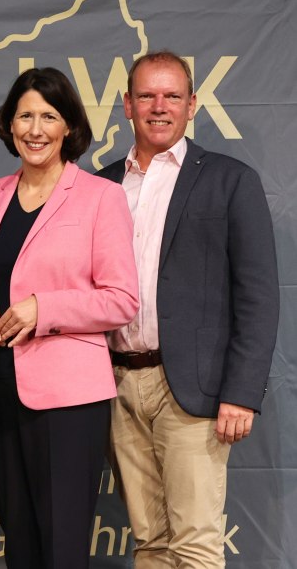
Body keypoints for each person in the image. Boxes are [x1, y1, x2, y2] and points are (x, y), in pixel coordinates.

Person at [97, 51, 279, 567]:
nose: (159, 107)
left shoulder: (230, 180)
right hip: (115, 385)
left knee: (195, 544)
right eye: (147, 96)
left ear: (192, 104)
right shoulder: (101, 185)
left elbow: (258, 295)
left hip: (193, 390)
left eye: (172, 96)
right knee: (148, 543)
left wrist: (241, 393)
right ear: (127, 104)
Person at [0, 66, 138, 567]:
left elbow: (122, 298)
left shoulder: (101, 197)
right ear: (9, 125)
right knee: (20, 545)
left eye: (49, 116)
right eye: (25, 116)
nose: (35, 129)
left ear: (69, 127)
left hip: (67, 405)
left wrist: (45, 309)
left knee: (61, 549)